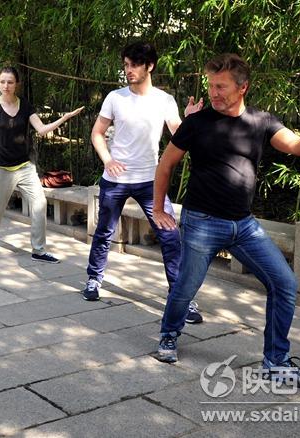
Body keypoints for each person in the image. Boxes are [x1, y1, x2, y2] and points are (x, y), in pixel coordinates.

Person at [151, 54, 300, 379]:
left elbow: (298, 147)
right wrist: (159, 208)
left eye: (221, 86)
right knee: (185, 287)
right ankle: (169, 334)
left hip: (243, 225)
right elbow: (166, 164)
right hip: (201, 222)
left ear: (243, 87)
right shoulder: (196, 123)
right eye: (211, 85)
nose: (213, 92)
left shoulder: (261, 121)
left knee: (284, 284)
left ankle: (276, 362)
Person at [80, 42, 204, 326]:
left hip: (151, 181)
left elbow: (178, 137)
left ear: (149, 66)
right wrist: (107, 159)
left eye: (134, 64)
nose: (128, 70)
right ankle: (93, 280)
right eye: (125, 65)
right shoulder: (115, 97)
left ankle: (181, 297)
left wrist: (191, 122)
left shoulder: (164, 100)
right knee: (104, 232)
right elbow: (97, 133)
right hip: (115, 180)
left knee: (171, 238)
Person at [0, 66, 83, 263]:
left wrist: (64, 118)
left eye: (10, 82)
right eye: (2, 82)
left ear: (17, 84)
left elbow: (41, 129)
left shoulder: (25, 105)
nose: (6, 86)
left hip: (24, 166)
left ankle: (38, 250)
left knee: (39, 203)